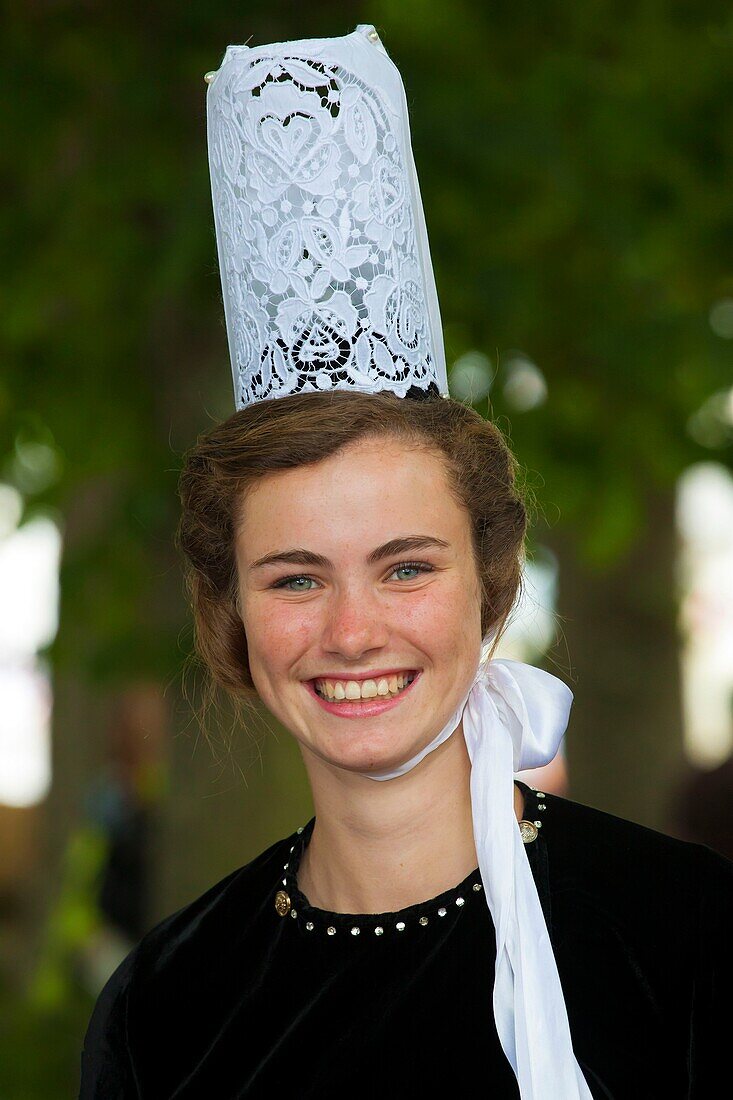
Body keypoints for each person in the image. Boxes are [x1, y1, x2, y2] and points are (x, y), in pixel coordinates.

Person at [79, 24, 732, 1098]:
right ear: (229, 612)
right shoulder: (167, 1005)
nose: (350, 630)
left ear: (493, 584)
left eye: (405, 567)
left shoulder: (685, 933)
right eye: (295, 575)